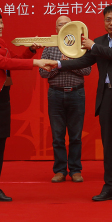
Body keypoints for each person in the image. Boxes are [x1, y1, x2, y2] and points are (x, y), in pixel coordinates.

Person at [0, 8, 57, 204]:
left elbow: (14, 61)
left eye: (1, 21)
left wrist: (30, 51)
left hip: (2, 99)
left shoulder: (1, 43)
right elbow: (4, 63)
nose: (1, 26)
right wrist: (37, 62)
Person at [58, 4, 112, 203]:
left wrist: (93, 46)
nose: (111, 23)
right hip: (107, 98)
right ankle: (110, 188)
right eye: (107, 19)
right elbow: (84, 61)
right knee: (110, 146)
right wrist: (59, 64)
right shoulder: (99, 41)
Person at [39, 16, 91, 183]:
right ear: (56, 29)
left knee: (76, 136)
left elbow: (87, 70)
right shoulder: (49, 47)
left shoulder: (80, 46)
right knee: (57, 136)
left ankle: (75, 170)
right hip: (55, 94)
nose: (63, 27)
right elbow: (43, 73)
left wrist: (68, 64)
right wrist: (60, 64)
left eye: (67, 25)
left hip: (76, 94)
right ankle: (60, 170)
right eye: (60, 25)